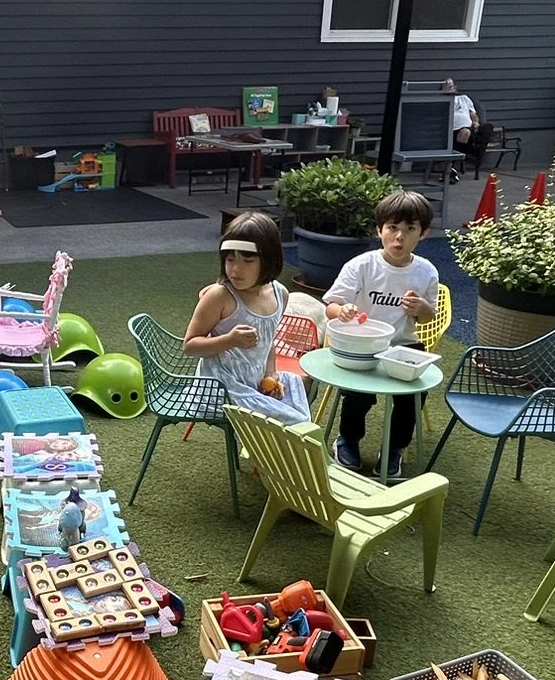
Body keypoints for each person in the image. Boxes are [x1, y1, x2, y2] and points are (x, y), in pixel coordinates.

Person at [325, 190, 440, 477]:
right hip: (362, 346)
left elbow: (428, 318)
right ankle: (348, 440)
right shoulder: (361, 265)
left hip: (404, 344)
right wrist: (343, 311)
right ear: (379, 230)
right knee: (358, 395)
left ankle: (394, 447)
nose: (399, 237)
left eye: (409, 229)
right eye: (392, 228)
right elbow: (331, 306)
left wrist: (422, 307)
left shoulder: (426, 272)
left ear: (423, 234)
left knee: (413, 394)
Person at [182, 211, 311, 425]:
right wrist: (229, 340)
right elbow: (190, 346)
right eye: (230, 259)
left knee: (297, 391)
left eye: (247, 260)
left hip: (254, 382)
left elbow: (268, 343)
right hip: (220, 387)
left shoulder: (280, 294)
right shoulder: (220, 296)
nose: (235, 269)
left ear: (269, 259)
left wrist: (271, 374)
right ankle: (270, 457)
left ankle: (269, 454)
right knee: (292, 420)